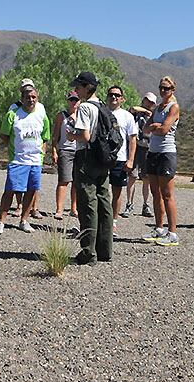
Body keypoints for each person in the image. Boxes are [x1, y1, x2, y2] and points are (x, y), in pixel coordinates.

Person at [0, 82, 50, 234]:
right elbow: (4, 135)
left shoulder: (42, 115)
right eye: (28, 97)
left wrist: (42, 154)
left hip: (35, 161)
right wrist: (15, 148)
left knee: (31, 191)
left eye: (34, 97)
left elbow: (45, 137)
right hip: (18, 160)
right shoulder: (13, 114)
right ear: (22, 98)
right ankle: (1, 221)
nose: (31, 100)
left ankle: (24, 220)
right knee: (10, 190)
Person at [70, 71, 113, 265]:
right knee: (104, 201)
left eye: (78, 86)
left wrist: (72, 135)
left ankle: (88, 252)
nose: (76, 89)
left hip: (86, 157)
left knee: (88, 203)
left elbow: (85, 136)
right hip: (103, 158)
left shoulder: (85, 107)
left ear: (87, 87)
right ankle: (105, 250)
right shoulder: (102, 106)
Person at [142, 76, 182, 247]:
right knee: (155, 192)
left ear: (172, 90)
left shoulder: (174, 107)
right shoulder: (158, 108)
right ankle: (159, 228)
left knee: (167, 194)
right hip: (153, 152)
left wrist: (154, 127)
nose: (163, 91)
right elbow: (145, 129)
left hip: (166, 153)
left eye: (167, 88)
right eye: (161, 88)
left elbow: (165, 129)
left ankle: (172, 233)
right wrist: (153, 127)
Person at [105, 85, 139, 227]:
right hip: (102, 159)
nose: (114, 97)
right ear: (107, 97)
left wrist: (130, 159)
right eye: (111, 94)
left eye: (117, 95)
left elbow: (132, 139)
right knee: (100, 191)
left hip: (119, 159)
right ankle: (101, 220)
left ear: (122, 99)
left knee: (117, 191)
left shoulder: (127, 116)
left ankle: (113, 221)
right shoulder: (101, 113)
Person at [125, 92, 157, 218]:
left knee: (146, 178)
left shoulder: (154, 116)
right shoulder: (135, 113)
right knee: (132, 176)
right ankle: (129, 204)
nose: (149, 104)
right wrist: (145, 111)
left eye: (152, 103)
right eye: (148, 101)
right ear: (143, 100)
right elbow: (132, 109)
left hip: (148, 148)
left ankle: (145, 204)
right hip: (136, 147)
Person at [51, 90, 80, 225]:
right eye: (71, 100)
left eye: (76, 100)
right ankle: (59, 209)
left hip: (79, 151)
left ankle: (74, 208)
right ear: (68, 101)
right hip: (65, 150)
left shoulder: (82, 115)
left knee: (77, 181)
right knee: (64, 180)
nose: (74, 102)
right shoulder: (61, 116)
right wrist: (54, 150)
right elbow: (55, 135)